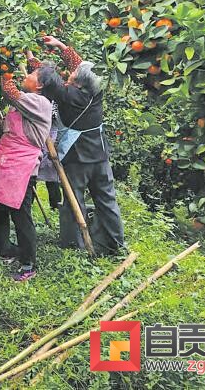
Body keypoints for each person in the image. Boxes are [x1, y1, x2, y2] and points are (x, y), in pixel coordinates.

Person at [29, 36, 126, 255]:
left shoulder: (67, 94)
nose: (71, 72)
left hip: (77, 157)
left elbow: (45, 79)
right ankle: (115, 243)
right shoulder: (96, 92)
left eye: (74, 73)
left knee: (74, 201)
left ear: (78, 81)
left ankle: (74, 245)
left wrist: (30, 57)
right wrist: (61, 46)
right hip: (100, 154)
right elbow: (82, 69)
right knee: (107, 199)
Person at [0, 69, 53, 282]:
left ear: (39, 86)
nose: (27, 75)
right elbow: (2, 128)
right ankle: (5, 248)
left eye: (32, 74)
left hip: (22, 167)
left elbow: (10, 92)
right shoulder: (22, 105)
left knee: (21, 215)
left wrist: (4, 71)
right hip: (6, 162)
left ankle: (28, 263)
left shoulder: (40, 103)